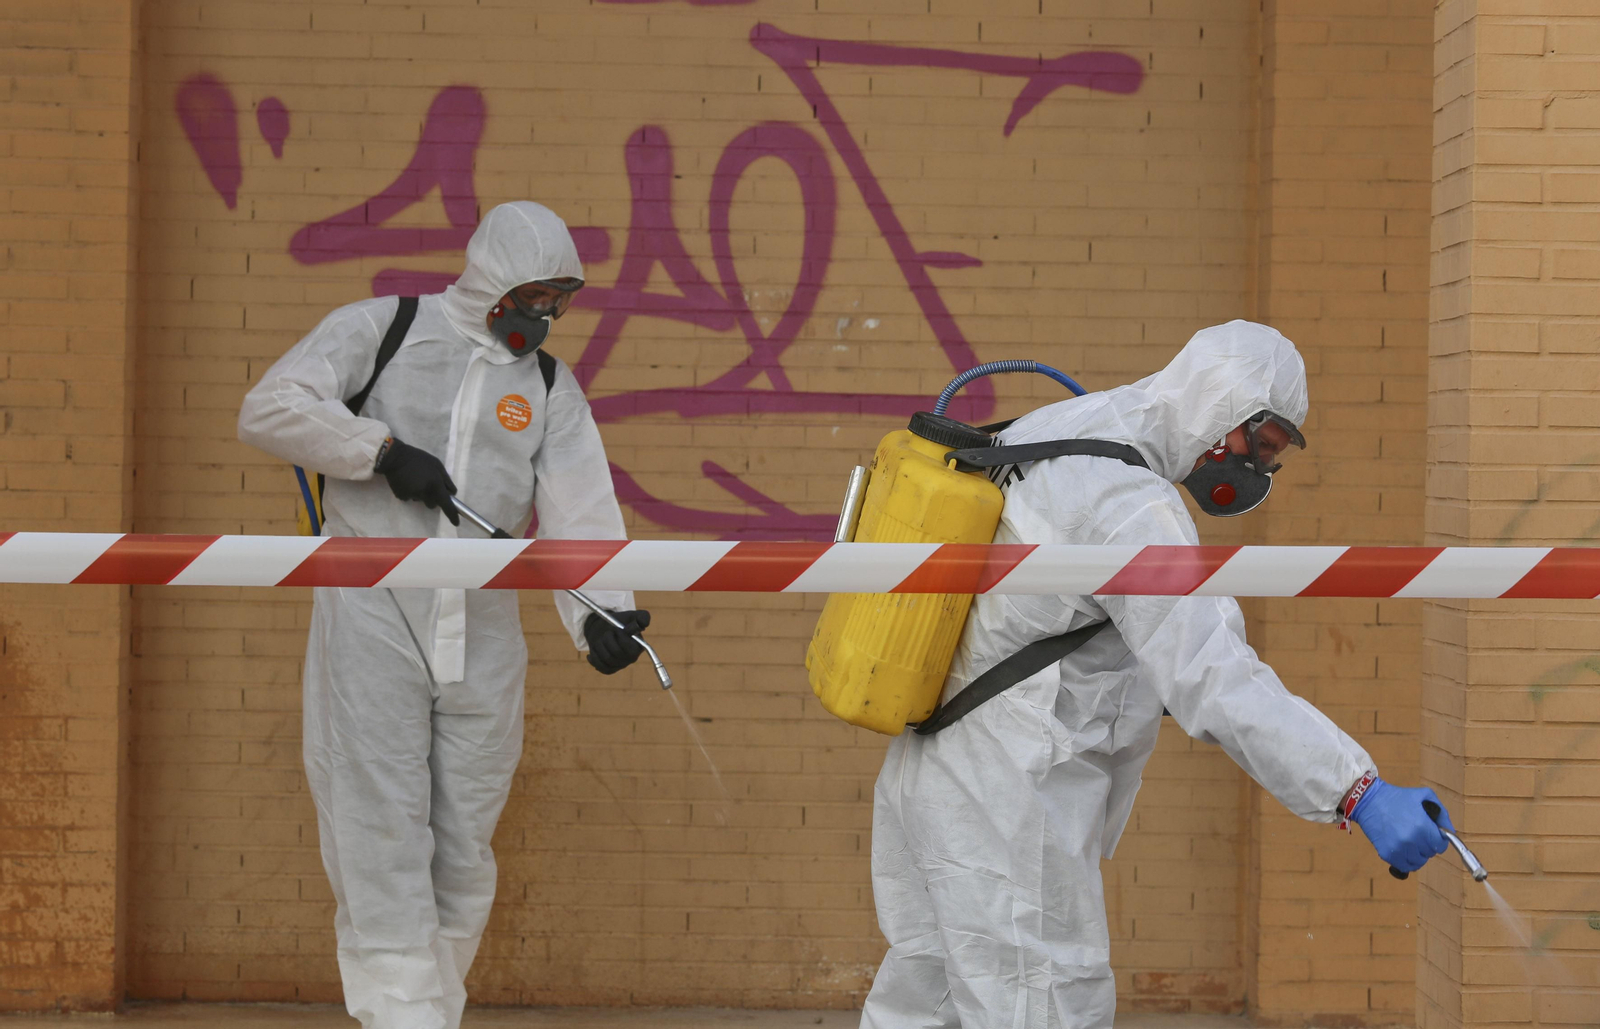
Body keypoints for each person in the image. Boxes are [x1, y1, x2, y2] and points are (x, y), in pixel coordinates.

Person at [860, 320, 1455, 1029]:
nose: (1258, 471)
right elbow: (1213, 674)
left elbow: (1047, 620)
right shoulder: (1131, 506)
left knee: (920, 1007)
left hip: (928, 771)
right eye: (1261, 446)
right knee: (1048, 1002)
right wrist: (1355, 789)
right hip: (1009, 805)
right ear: (1226, 407)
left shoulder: (1056, 426)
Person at [238, 201, 652, 1029]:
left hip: (484, 627)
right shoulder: (383, 329)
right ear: (493, 278)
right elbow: (270, 407)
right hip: (373, 610)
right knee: (378, 828)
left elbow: (581, 507)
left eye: (558, 300)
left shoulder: (544, 386)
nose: (543, 316)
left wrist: (601, 612)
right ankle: (406, 1018)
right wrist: (381, 453)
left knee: (463, 845)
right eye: (533, 295)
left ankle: (427, 1012)